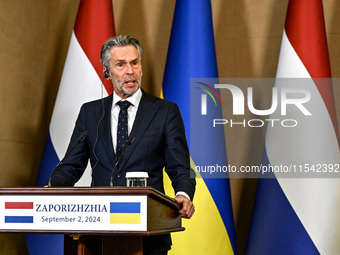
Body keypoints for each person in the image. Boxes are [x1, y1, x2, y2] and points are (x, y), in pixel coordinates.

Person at [50, 35, 196, 254]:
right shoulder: (91, 113)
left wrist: (183, 194)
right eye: (121, 65)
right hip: (97, 232)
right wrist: (49, 190)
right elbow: (71, 165)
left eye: (135, 63)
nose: (130, 71)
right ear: (106, 72)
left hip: (149, 233)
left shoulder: (165, 112)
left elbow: (180, 167)